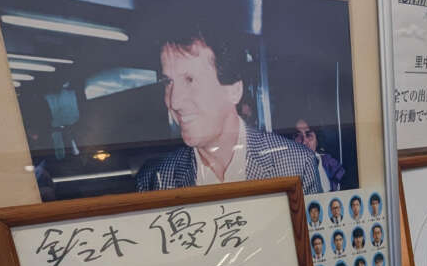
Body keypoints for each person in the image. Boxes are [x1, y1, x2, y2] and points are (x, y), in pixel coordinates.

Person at [133, 23, 321, 194]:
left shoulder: (296, 165)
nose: (174, 102)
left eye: (190, 80)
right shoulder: (153, 179)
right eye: (168, 82)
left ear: (234, 90)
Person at [293, 119, 345, 191]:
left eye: (309, 135)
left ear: (317, 140)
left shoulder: (328, 162)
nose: (304, 142)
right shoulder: (289, 168)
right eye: (298, 136)